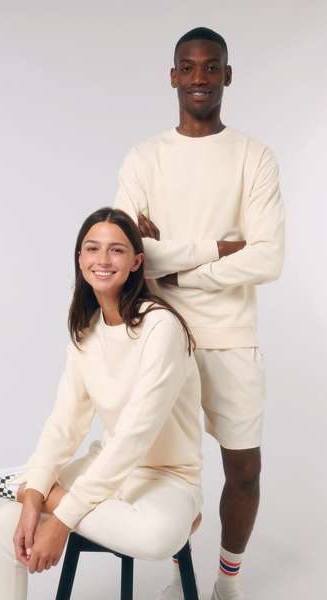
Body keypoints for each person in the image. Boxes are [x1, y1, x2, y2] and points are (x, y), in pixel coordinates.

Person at [112, 27, 285, 600]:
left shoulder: (254, 157)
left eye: (211, 67)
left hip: (231, 335)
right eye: (188, 67)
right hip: (161, 334)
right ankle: (177, 571)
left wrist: (176, 267)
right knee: (167, 470)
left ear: (227, 75)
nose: (199, 78)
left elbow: (268, 257)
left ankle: (226, 582)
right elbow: (127, 251)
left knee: (244, 470)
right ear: (172, 77)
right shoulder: (145, 158)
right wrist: (217, 247)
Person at [0, 207, 207, 600]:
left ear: (136, 262)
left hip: (168, 476)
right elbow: (65, 424)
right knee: (0, 527)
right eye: (92, 248)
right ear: (80, 259)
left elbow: (135, 436)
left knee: (155, 538)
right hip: (106, 467)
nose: (103, 259)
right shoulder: (86, 331)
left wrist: (59, 515)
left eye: (116, 250)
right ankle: (32, 484)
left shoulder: (161, 328)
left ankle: (30, 484)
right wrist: (35, 500)